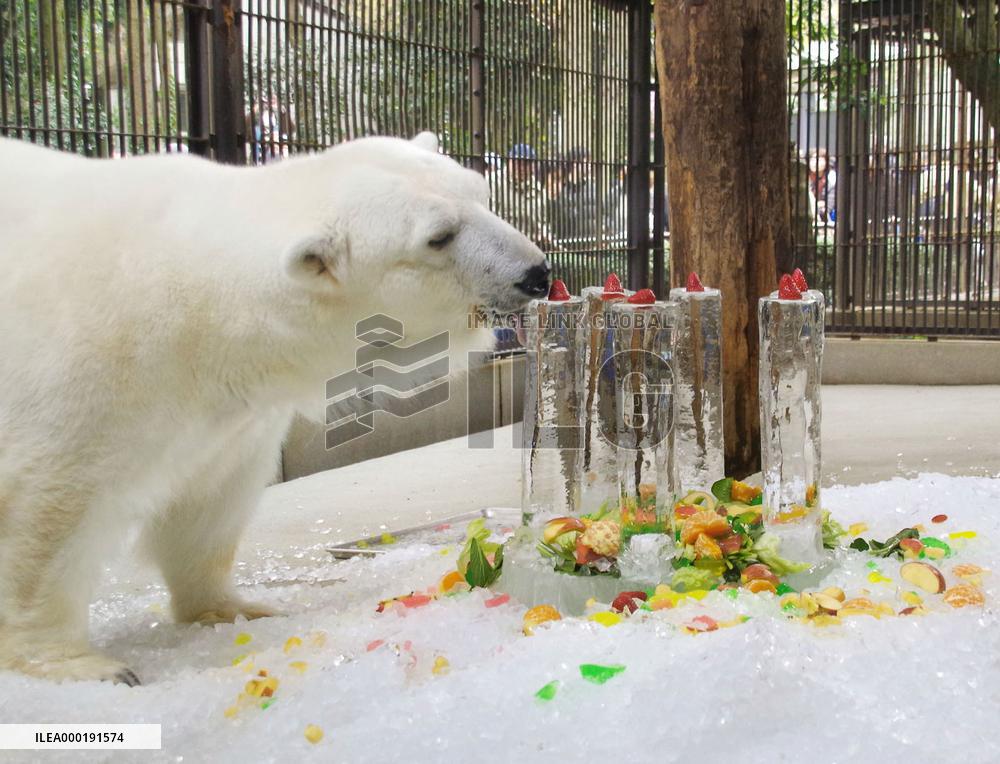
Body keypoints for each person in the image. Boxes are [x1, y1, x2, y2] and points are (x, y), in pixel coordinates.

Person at [492, 143, 558, 251]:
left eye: (527, 163)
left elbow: (543, 222)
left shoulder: (537, 188)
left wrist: (545, 235)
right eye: (517, 162)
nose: (522, 167)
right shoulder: (493, 182)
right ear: (509, 161)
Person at [547, 147, 598, 246]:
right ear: (575, 163)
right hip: (567, 246)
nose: (590, 165)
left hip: (591, 245)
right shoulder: (559, 189)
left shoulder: (593, 188)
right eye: (587, 161)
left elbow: (601, 213)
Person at [808, 149, 837, 224]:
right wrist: (818, 204)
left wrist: (815, 205)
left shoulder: (831, 179)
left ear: (826, 162)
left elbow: (828, 206)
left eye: (819, 159)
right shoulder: (804, 179)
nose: (815, 162)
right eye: (812, 159)